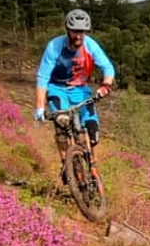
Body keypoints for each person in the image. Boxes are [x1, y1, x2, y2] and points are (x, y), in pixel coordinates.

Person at [34, 9, 116, 162]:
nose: (78, 36)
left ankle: (93, 166)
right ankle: (66, 163)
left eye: (82, 32)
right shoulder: (54, 47)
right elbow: (43, 76)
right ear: (68, 30)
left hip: (81, 90)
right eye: (75, 32)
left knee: (92, 129)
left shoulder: (90, 45)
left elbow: (107, 67)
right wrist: (40, 106)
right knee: (62, 123)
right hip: (57, 89)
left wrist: (106, 84)